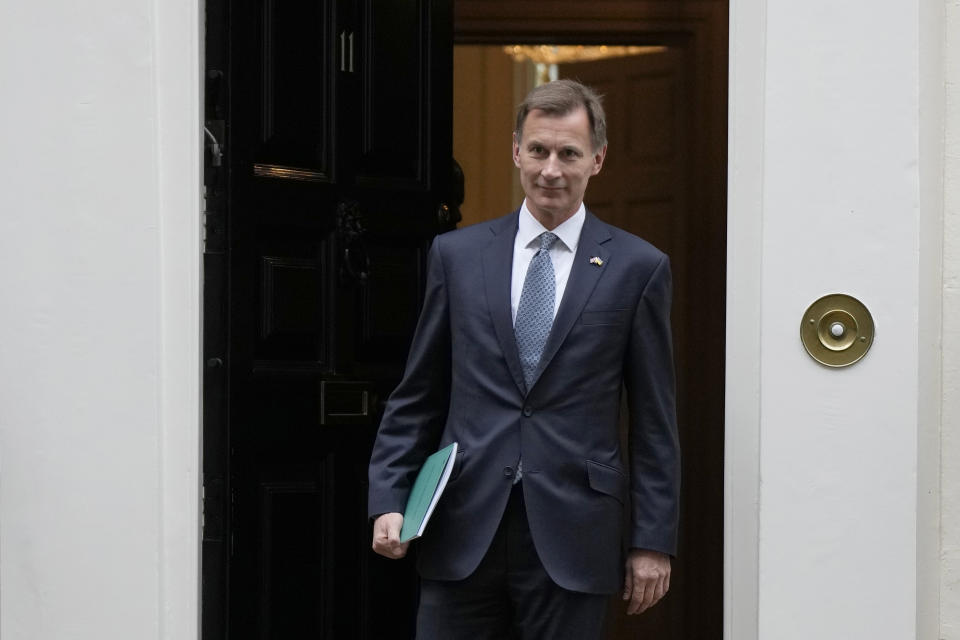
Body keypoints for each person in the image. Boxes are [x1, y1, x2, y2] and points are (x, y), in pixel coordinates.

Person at [368, 79, 680, 639]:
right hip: (462, 523)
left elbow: (656, 422)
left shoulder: (639, 267)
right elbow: (418, 393)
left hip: (576, 532)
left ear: (598, 160)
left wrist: (652, 541)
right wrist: (390, 497)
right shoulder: (457, 255)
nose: (551, 170)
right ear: (516, 151)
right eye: (538, 150)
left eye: (569, 153)